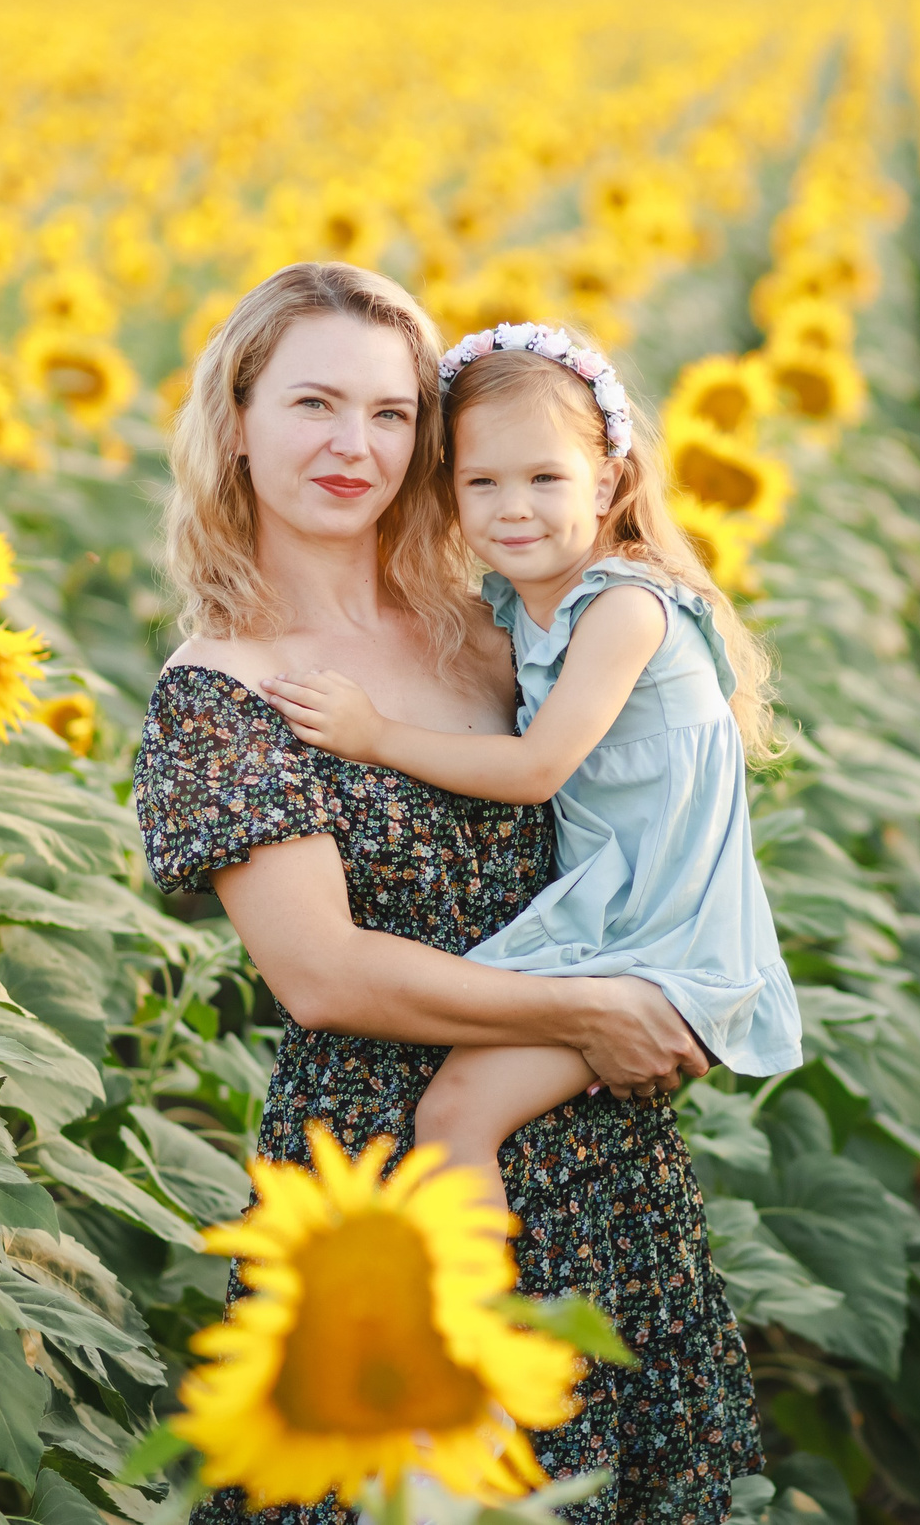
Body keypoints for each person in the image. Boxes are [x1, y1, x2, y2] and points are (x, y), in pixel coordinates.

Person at [131, 263, 760, 1525]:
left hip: (597, 1163)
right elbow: (326, 976)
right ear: (238, 421)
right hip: (389, 1189)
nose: (353, 446)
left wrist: (672, 979)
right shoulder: (224, 693)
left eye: (390, 413)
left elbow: (645, 806)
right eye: (313, 405)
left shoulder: (489, 632)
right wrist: (590, 1015)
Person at [258, 321, 803, 1209]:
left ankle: (478, 1324)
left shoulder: (624, 608)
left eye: (546, 478)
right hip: (614, 915)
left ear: (610, 480)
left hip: (655, 936)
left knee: (457, 1114)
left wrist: (373, 735)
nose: (514, 507)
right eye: (483, 482)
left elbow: (537, 768)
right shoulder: (514, 606)